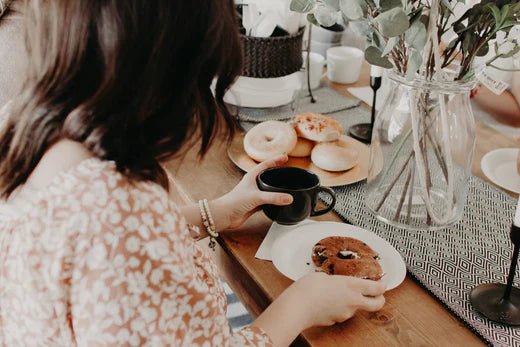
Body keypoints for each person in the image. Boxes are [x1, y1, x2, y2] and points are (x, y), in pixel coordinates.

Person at [0, 1, 386, 346]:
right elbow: (117, 237)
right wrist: (301, 306)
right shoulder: (123, 219)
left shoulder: (21, 127)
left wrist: (211, 214)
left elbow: (87, 249)